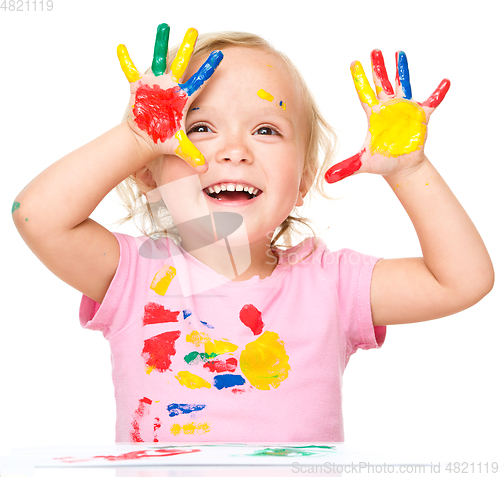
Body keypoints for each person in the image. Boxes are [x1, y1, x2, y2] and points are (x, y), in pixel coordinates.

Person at [12, 24, 494, 443]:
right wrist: (137, 137)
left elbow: (462, 281)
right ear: (147, 171)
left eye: (266, 130)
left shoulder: (330, 284)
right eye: (199, 126)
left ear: (304, 179)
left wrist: (409, 171)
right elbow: (36, 216)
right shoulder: (133, 275)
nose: (235, 150)